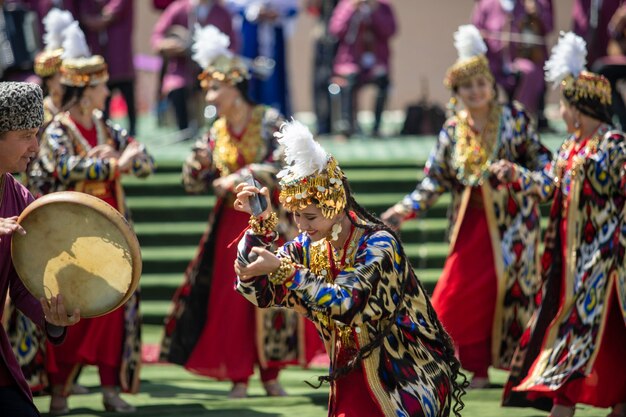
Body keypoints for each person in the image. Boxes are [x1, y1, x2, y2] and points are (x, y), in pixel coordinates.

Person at [232, 119, 466, 417]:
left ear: (335, 204)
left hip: (407, 377)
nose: (301, 226)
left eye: (310, 217)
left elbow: (347, 304)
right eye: (296, 217)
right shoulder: (308, 245)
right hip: (350, 377)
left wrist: (285, 271)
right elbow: (255, 289)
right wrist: (260, 225)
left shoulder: (379, 244)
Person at [380, 25, 554, 388]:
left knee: (506, 294)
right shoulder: (452, 131)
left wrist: (518, 174)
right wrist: (403, 210)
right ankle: (451, 361)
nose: (476, 91)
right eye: (467, 86)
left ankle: (499, 369)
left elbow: (543, 163)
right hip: (469, 225)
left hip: (513, 227)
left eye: (481, 84)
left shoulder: (515, 119)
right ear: (456, 93)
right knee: (454, 295)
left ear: (492, 86)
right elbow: (434, 180)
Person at [159, 24, 307, 399]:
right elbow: (191, 182)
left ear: (235, 87)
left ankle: (271, 375)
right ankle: (239, 375)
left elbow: (292, 164)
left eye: (214, 88)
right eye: (206, 87)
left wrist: (246, 174)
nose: (208, 95)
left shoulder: (270, 120)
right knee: (233, 298)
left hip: (270, 220)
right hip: (231, 225)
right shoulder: (214, 132)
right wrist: (198, 164)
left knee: (273, 294)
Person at [33, 22, 155, 414]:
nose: (107, 91)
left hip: (109, 234)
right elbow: (62, 167)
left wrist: (123, 159)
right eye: (101, 86)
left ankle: (109, 389)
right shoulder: (58, 130)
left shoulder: (106, 125)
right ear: (85, 91)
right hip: (70, 238)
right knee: (70, 311)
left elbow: (144, 158)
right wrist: (109, 164)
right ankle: (60, 393)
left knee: (113, 314)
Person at [502, 32, 626, 417]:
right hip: (569, 264)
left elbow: (615, 189)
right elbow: (547, 186)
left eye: (565, 104)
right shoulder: (569, 147)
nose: (561, 111)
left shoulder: (614, 144)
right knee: (595, 334)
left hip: (605, 260)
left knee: (599, 333)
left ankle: (570, 404)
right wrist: (515, 175)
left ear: (579, 107)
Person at [0, 81, 80, 417]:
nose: (35, 145)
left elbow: (23, 283)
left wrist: (52, 316)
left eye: (38, 133)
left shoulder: (20, 198)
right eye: (25, 135)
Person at [151, 0, 236, 132]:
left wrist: (219, 53)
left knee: (221, 89)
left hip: (213, 69)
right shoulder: (179, 8)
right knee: (177, 87)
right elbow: (157, 36)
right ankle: (183, 129)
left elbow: (233, 44)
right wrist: (169, 45)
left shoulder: (222, 13)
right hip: (182, 68)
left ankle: (216, 129)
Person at [471, 0, 554, 122]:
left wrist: (538, 13)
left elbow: (548, 27)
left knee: (531, 72)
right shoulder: (486, 4)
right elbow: (475, 31)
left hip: (522, 62)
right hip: (494, 65)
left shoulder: (531, 3)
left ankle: (521, 118)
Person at [328, 0, 396, 137]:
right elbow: (335, 30)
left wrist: (375, 11)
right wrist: (352, 9)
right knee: (349, 81)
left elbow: (390, 31)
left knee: (382, 80)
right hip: (350, 62)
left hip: (375, 61)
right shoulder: (346, 5)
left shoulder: (383, 6)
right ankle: (347, 126)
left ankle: (376, 127)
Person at [73, 0, 138, 136]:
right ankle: (105, 132)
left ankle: (131, 132)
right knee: (104, 106)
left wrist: (91, 18)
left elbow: (105, 17)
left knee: (129, 102)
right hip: (105, 65)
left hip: (121, 62)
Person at [226, 0, 299, 117]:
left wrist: (277, 13)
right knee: (249, 78)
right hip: (250, 34)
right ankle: (250, 118)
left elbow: (292, 9)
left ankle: (278, 118)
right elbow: (233, 6)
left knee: (277, 78)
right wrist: (254, 11)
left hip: (274, 34)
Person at [573, 0, 626, 129]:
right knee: (594, 75)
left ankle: (622, 123)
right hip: (599, 55)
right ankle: (612, 122)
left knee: (602, 72)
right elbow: (580, 23)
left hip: (619, 55)